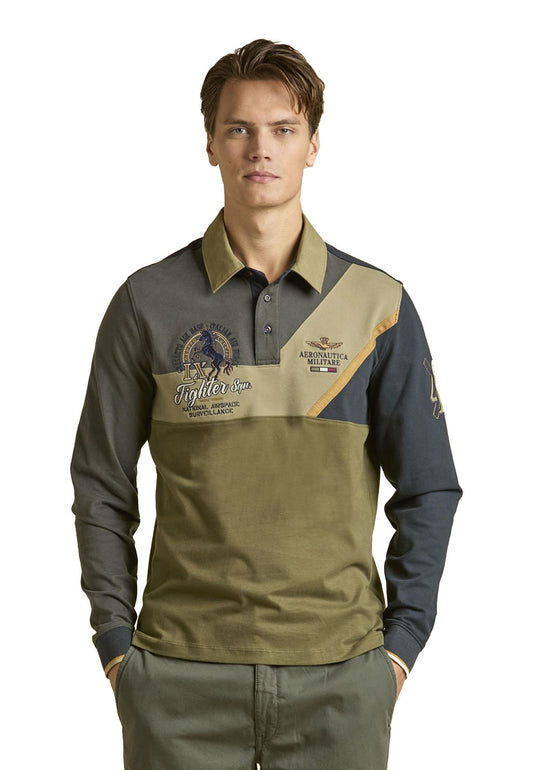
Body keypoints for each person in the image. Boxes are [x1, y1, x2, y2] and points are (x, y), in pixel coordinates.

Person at [70, 38, 462, 770]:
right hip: (177, 680)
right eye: (239, 129)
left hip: (341, 678)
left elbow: (429, 486)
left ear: (313, 145)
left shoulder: (376, 305)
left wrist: (400, 649)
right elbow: (100, 484)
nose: (261, 148)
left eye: (283, 129)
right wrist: (118, 648)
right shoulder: (145, 303)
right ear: (210, 144)